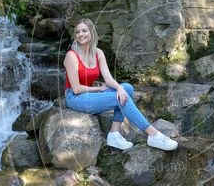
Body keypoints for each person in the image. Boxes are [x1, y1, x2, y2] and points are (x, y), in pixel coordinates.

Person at [63, 18, 178, 151]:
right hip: (75, 98)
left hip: (89, 94)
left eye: (84, 30)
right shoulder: (71, 56)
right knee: (119, 98)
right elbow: (76, 89)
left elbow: (108, 77)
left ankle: (114, 133)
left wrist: (119, 88)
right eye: (77, 32)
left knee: (126, 88)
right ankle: (152, 134)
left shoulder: (98, 53)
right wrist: (99, 89)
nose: (80, 34)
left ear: (92, 32)